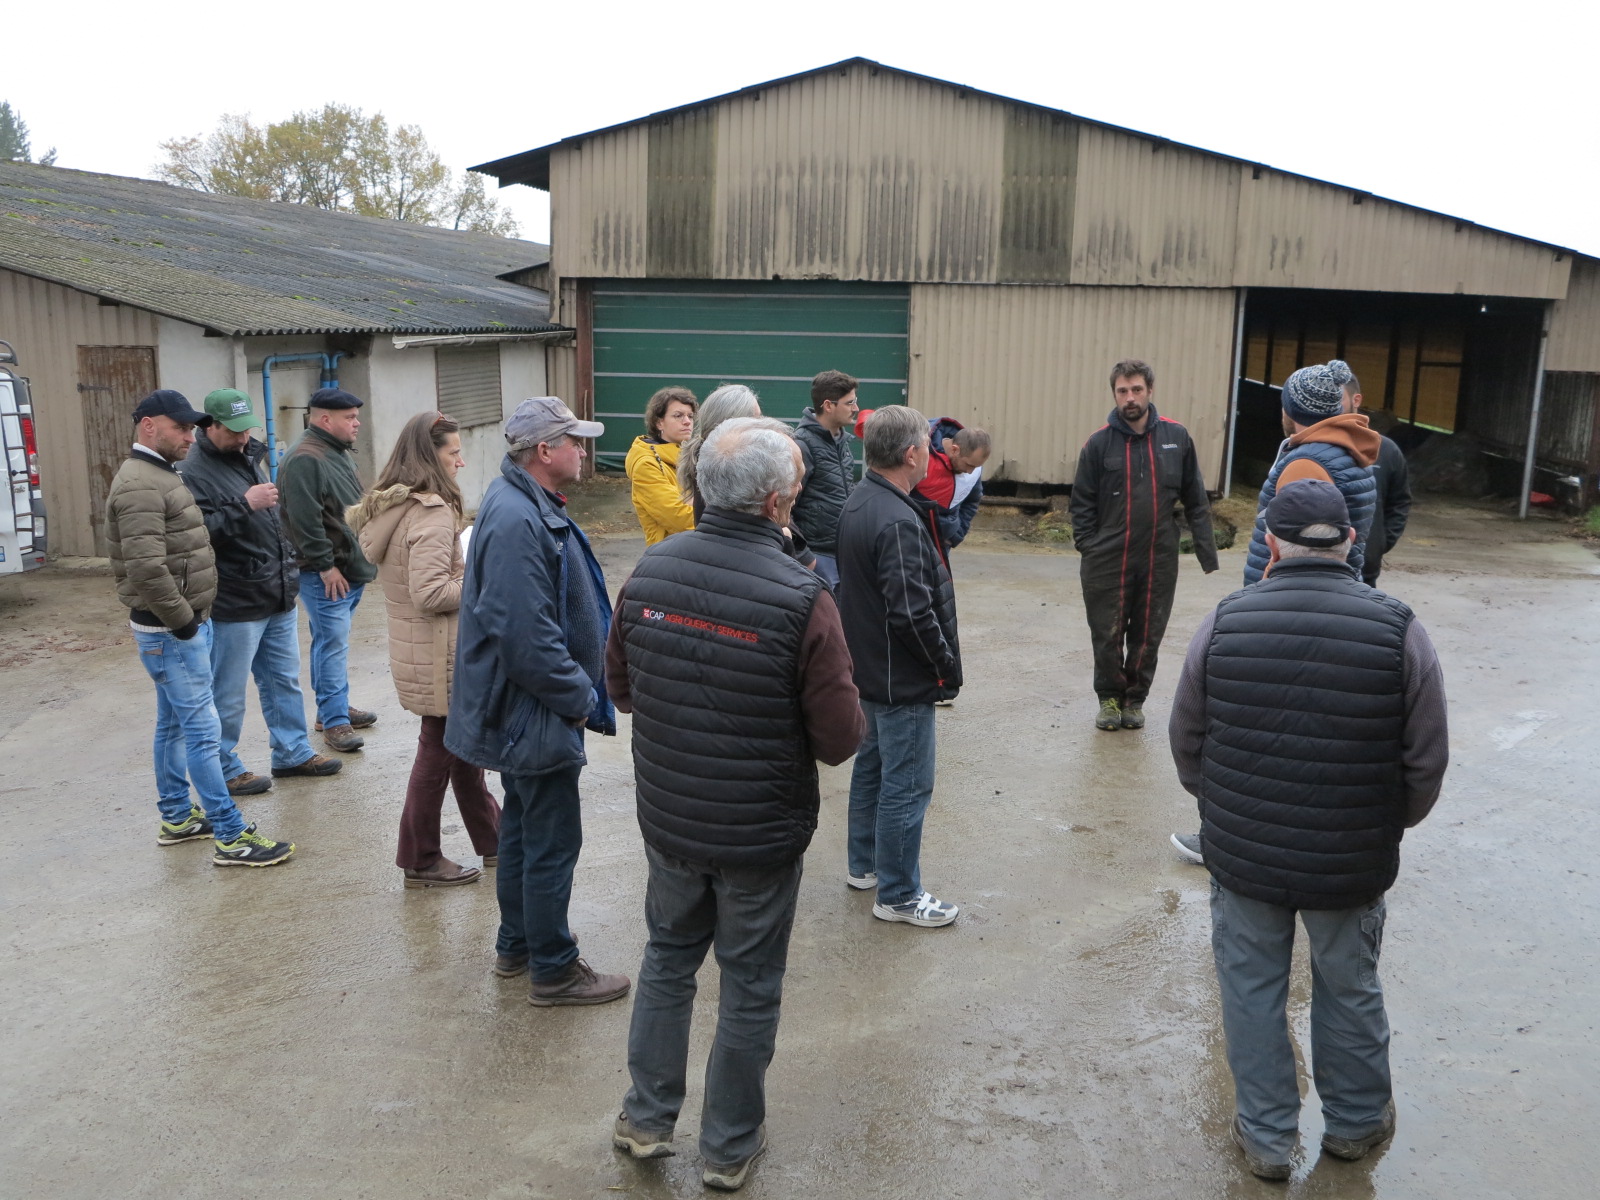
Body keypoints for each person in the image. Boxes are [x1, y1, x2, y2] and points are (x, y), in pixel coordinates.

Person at [606, 417, 865, 1192]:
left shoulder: (647, 574)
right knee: (749, 986)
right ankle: (726, 1147)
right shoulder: (802, 596)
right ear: (781, 502)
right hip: (757, 833)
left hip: (673, 820)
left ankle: (647, 1120)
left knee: (667, 962)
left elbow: (620, 690)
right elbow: (840, 736)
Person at [1167, 480, 1448, 1181]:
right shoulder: (1399, 628)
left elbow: (1186, 738)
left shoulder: (1225, 621)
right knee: (1348, 985)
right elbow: (1427, 757)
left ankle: (1265, 1140)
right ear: (1350, 541)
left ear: (1271, 543)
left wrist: (1226, 809)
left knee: (1251, 988)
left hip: (1245, 854)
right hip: (1350, 860)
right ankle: (1355, 1125)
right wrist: (1386, 823)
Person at [446, 396, 630, 1005]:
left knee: (524, 830)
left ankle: (516, 945)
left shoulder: (522, 503)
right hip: (534, 710)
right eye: (575, 441)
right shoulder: (516, 517)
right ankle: (553, 968)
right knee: (552, 839)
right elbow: (525, 636)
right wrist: (579, 697)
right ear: (545, 451)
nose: (584, 451)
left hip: (523, 708)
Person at [106, 389, 295, 867]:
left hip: (177, 627)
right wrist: (185, 624)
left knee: (173, 725)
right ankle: (231, 837)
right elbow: (147, 569)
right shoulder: (141, 484)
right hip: (171, 631)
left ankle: (176, 816)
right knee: (202, 732)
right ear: (149, 425)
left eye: (192, 428)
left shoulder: (158, 473)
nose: (189, 436)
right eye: (180, 428)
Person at [350, 411, 500, 889]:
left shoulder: (398, 508)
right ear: (429, 456)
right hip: (441, 655)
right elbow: (432, 593)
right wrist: (484, 578)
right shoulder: (431, 511)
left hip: (425, 652)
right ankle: (420, 857)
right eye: (453, 452)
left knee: (460, 752)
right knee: (438, 755)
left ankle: (495, 838)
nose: (461, 461)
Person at [178, 389, 342, 797]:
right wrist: (244, 505)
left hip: (275, 589)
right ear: (208, 426)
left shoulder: (250, 453)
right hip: (234, 598)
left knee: (285, 680)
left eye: (245, 428)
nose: (241, 437)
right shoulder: (192, 470)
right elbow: (193, 535)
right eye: (232, 431)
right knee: (228, 692)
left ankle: (292, 751)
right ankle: (224, 766)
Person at [836, 405, 962, 928]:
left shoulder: (860, 501)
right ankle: (900, 894)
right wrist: (943, 666)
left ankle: (865, 865)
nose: (930, 457)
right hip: (899, 678)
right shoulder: (896, 519)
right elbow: (911, 611)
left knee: (873, 768)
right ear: (911, 454)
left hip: (869, 669)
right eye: (926, 448)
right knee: (907, 785)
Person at [1071, 359, 1217, 733]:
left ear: (1150, 391)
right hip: (1108, 557)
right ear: (1114, 394)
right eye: (1122, 391)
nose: (1130, 397)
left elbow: (1195, 499)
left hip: (1158, 555)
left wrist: (1206, 554)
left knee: (1148, 632)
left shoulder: (1176, 438)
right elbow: (1081, 502)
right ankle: (1108, 697)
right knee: (1107, 631)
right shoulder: (1098, 443)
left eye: (1136, 389)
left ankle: (1134, 700)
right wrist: (1089, 545)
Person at [278, 387, 380, 752]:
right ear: (325, 419)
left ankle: (332, 709)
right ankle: (334, 722)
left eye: (356, 416)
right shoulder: (306, 458)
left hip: (348, 566)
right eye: (350, 418)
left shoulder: (335, 452)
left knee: (333, 641)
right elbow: (305, 522)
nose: (357, 423)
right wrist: (325, 567)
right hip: (326, 573)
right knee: (331, 643)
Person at [1242, 359, 1380, 586]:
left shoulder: (1306, 464)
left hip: (1290, 593)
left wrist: (1262, 592)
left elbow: (1299, 546)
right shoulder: (1346, 450)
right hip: (1337, 584)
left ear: (1292, 409)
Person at [791, 369, 860, 587]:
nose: (856, 409)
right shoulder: (802, 445)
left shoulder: (842, 442)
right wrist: (804, 557)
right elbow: (786, 505)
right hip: (817, 557)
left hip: (842, 554)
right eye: (850, 403)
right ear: (828, 406)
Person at [1343, 373, 1412, 587]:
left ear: (1356, 401)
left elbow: (1400, 500)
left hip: (1365, 570)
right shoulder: (1312, 447)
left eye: (1338, 398)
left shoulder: (1386, 450)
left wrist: (1380, 542)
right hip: (1317, 568)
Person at [676, 384, 762, 523]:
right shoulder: (722, 466)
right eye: (755, 419)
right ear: (732, 423)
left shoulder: (703, 457)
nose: (761, 425)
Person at [625, 386, 697, 544]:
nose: (687, 422)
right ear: (659, 423)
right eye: (678, 416)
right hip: (669, 555)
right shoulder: (646, 464)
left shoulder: (689, 456)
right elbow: (680, 519)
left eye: (690, 416)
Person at [914, 419, 991, 550]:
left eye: (977, 467)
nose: (970, 472)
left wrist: (956, 535)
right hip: (912, 538)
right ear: (955, 450)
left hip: (943, 543)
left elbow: (972, 501)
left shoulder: (972, 466)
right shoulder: (920, 454)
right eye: (969, 465)